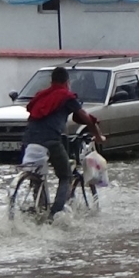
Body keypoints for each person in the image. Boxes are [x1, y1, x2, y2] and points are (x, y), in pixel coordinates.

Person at [23, 66, 106, 217]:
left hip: (29, 139)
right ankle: (54, 214)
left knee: (37, 173)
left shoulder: (41, 95)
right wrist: (98, 136)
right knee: (65, 176)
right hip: (51, 140)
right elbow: (86, 118)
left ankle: (38, 207)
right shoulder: (66, 96)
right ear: (67, 82)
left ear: (51, 81)